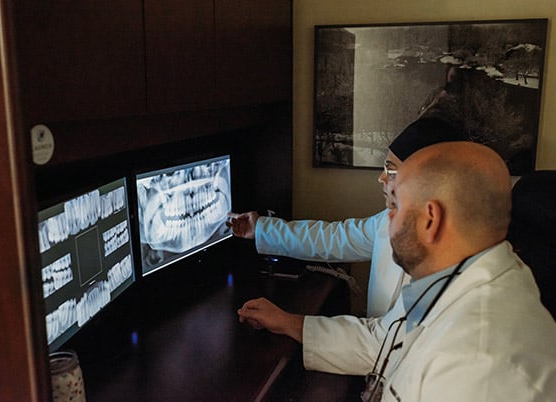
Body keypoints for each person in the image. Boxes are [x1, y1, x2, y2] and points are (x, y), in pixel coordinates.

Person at [237, 142, 556, 401]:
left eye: (395, 207)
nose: (385, 223)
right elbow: (384, 339)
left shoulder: (479, 365)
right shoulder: (455, 283)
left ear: (431, 219)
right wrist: (290, 322)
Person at [228, 117, 468, 317]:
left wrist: (289, 321)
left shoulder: (463, 269)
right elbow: (333, 238)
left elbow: (382, 340)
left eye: (391, 171)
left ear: (427, 182)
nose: (381, 178)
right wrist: (260, 228)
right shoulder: (389, 221)